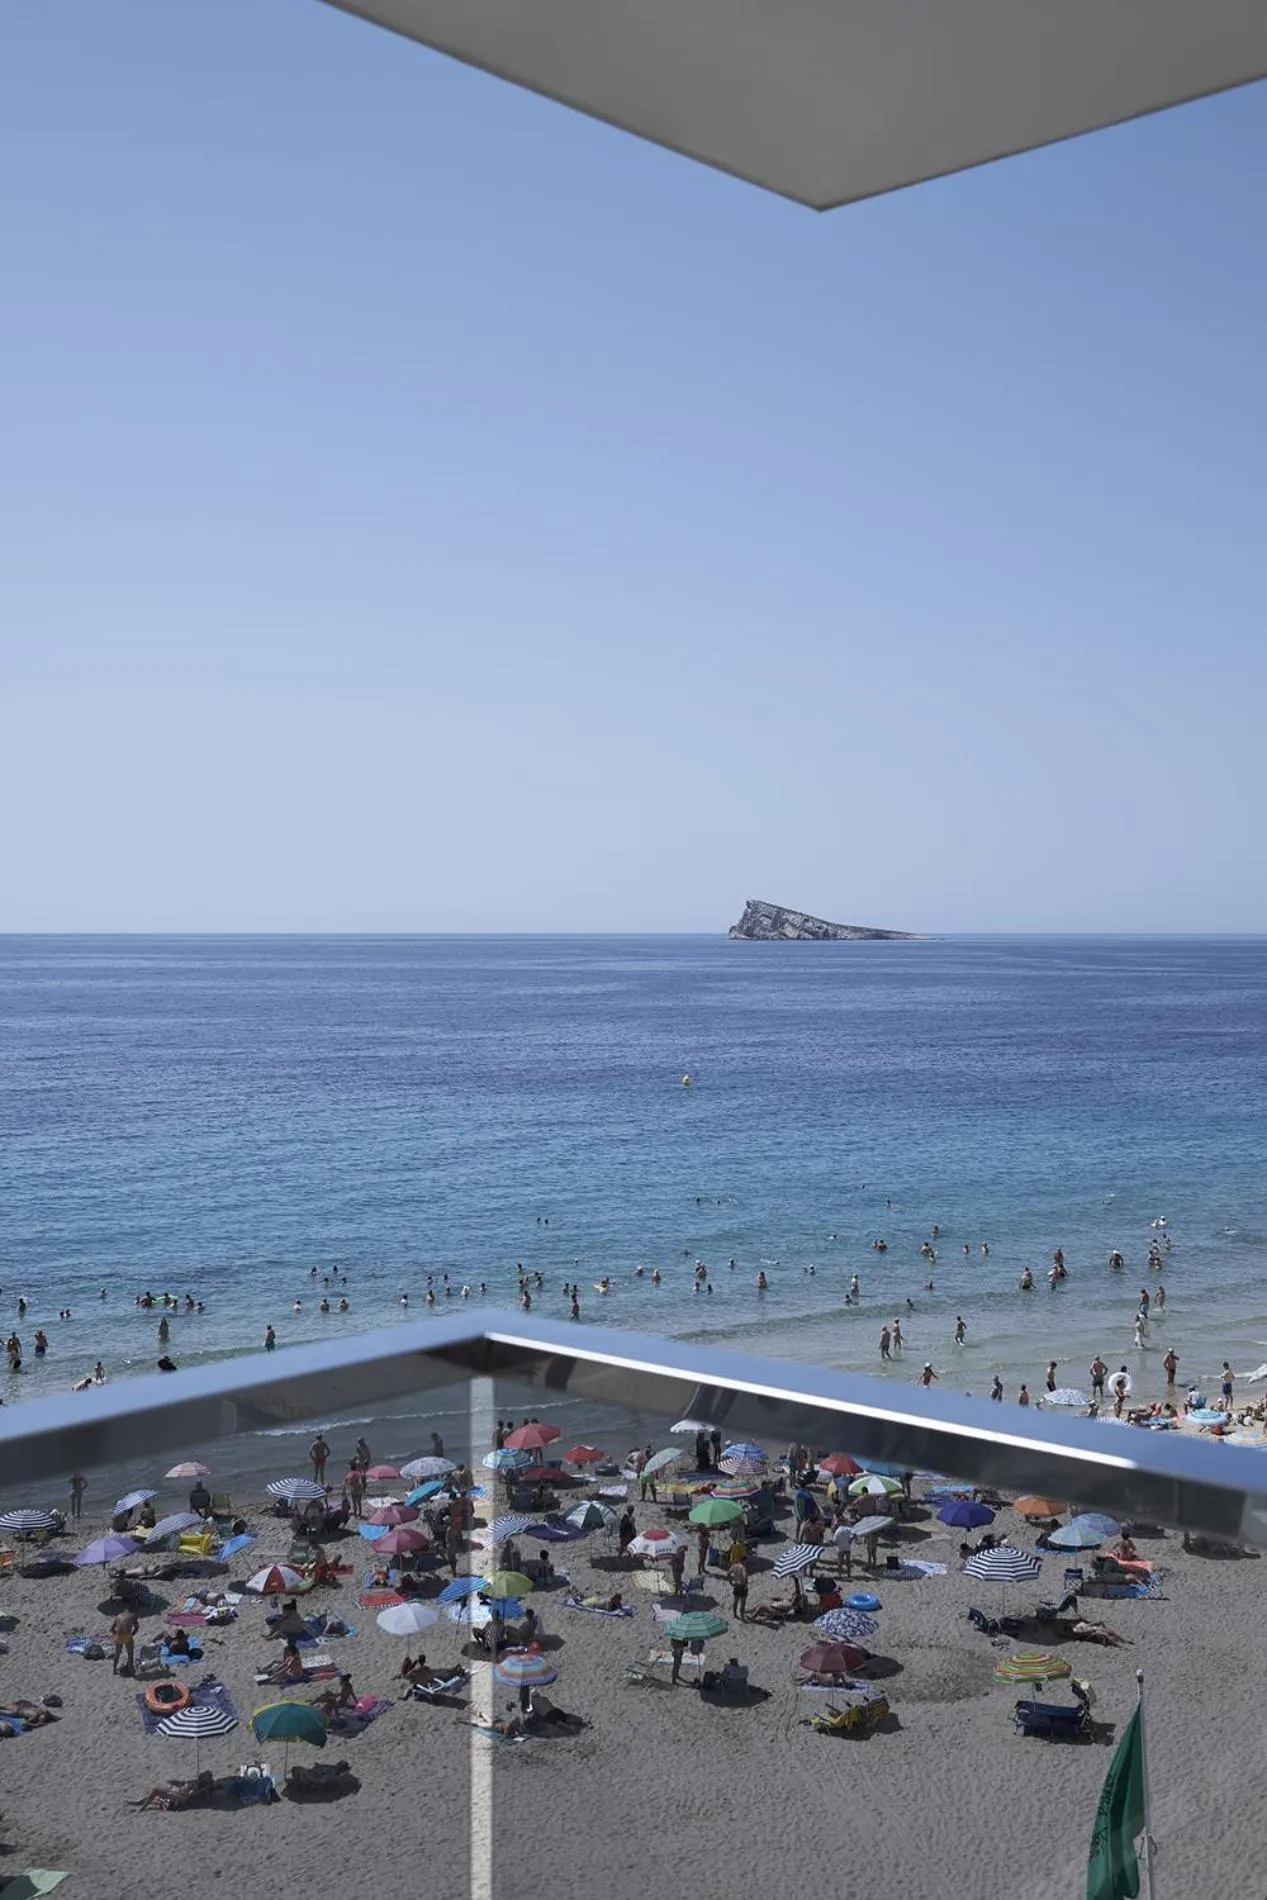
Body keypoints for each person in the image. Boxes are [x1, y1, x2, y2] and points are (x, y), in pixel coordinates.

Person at [111, 1607, 139, 1676]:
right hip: (127, 1636)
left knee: (117, 1654)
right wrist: (132, 1634)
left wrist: (116, 1634)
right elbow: (136, 1628)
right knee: (130, 1655)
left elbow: (111, 1629)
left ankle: (114, 1670)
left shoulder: (118, 1616)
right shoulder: (133, 1615)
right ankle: (131, 1672)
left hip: (119, 1636)